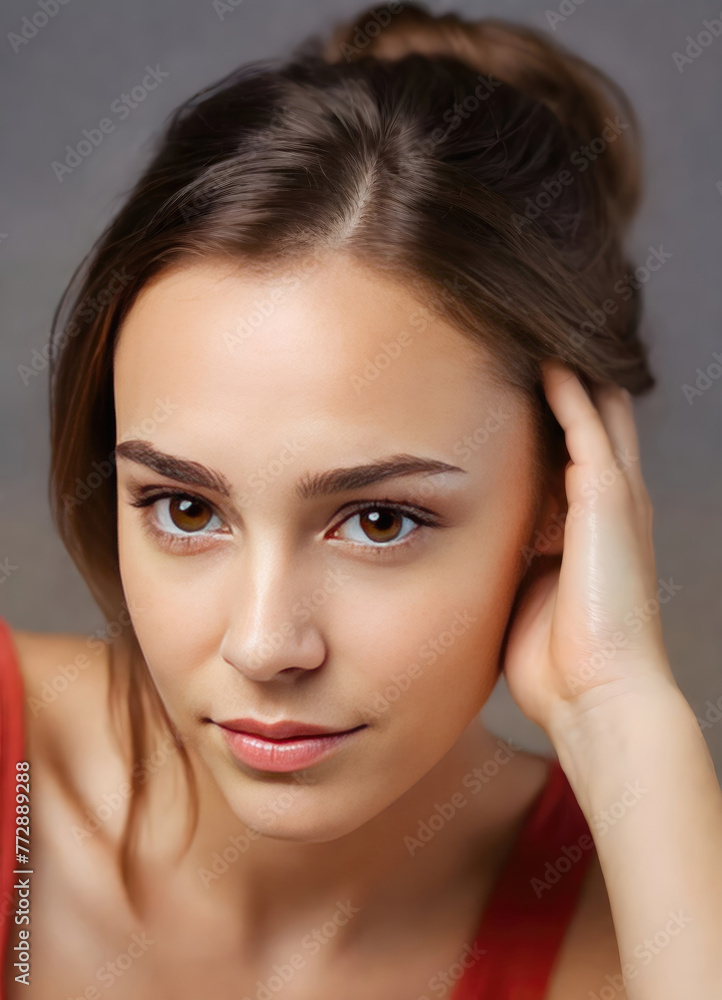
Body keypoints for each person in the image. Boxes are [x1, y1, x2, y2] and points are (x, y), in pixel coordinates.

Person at [2, 3, 721, 998]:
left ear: (564, 501)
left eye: (378, 521)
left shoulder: (638, 928)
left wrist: (624, 717)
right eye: (183, 508)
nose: (264, 645)